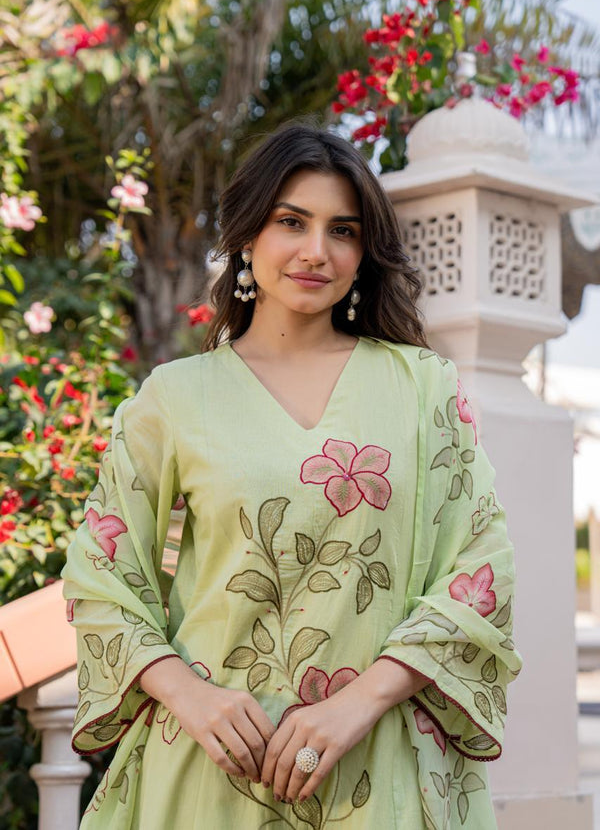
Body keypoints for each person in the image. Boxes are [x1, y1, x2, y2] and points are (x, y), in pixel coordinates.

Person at [62, 123, 521, 829]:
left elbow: (480, 565)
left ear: (365, 251)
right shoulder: (176, 398)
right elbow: (101, 572)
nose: (316, 251)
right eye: (290, 222)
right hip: (210, 769)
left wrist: (360, 701)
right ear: (248, 235)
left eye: (342, 230)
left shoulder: (424, 389)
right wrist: (189, 695)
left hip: (379, 761)